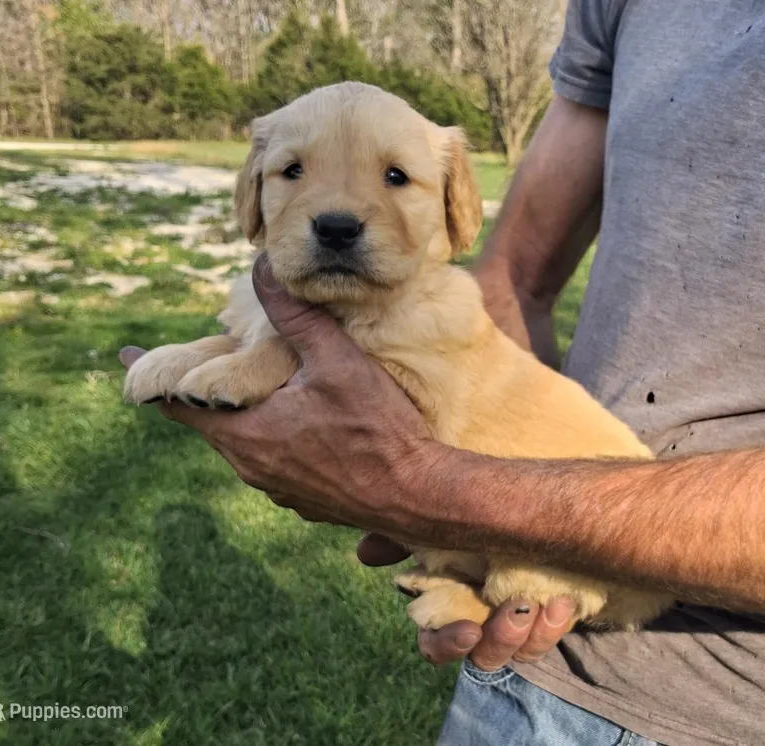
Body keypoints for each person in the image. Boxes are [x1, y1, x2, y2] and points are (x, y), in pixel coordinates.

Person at [121, 1, 765, 743]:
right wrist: (228, 351)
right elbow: (516, 273)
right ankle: (473, 587)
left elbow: (398, 431)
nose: (335, 212)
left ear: (453, 201)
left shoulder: (433, 315)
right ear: (253, 192)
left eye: (396, 176)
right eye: (292, 170)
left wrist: (414, 485)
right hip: (522, 668)